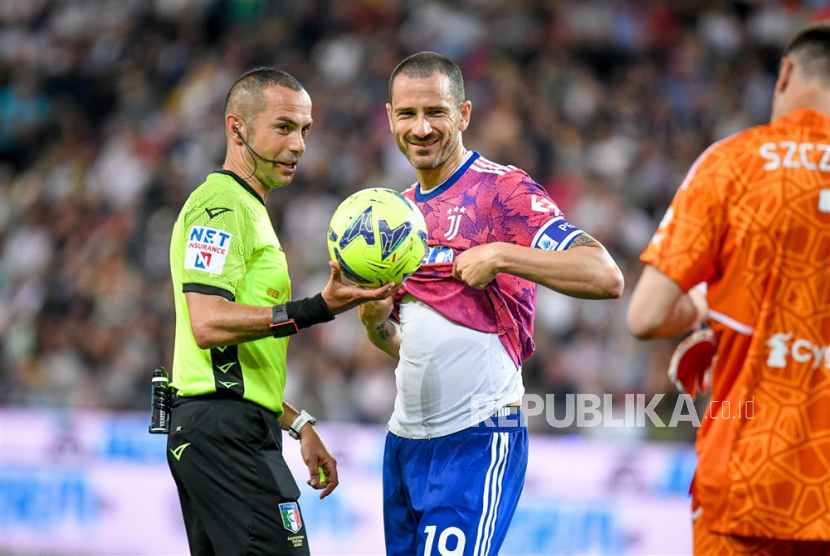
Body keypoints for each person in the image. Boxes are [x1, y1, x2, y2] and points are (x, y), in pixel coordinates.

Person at [358, 52, 624, 555]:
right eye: (408, 114)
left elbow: (604, 275)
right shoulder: (395, 214)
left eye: (436, 112)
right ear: (390, 117)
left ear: (464, 115)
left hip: (477, 439)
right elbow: (408, 345)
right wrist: (375, 324)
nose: (421, 128)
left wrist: (501, 255)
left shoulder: (501, 191)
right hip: (405, 445)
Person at [166, 67, 399, 556]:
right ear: (237, 128)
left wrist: (296, 423)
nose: (298, 145)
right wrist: (319, 307)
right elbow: (207, 323)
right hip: (225, 436)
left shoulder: (249, 209)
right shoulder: (222, 207)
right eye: (283, 127)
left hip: (226, 428)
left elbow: (233, 365)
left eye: (305, 130)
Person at [627, 21, 829, 556]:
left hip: (747, 480)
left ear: (785, 73)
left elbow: (645, 316)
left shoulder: (733, 163)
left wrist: (703, 306)